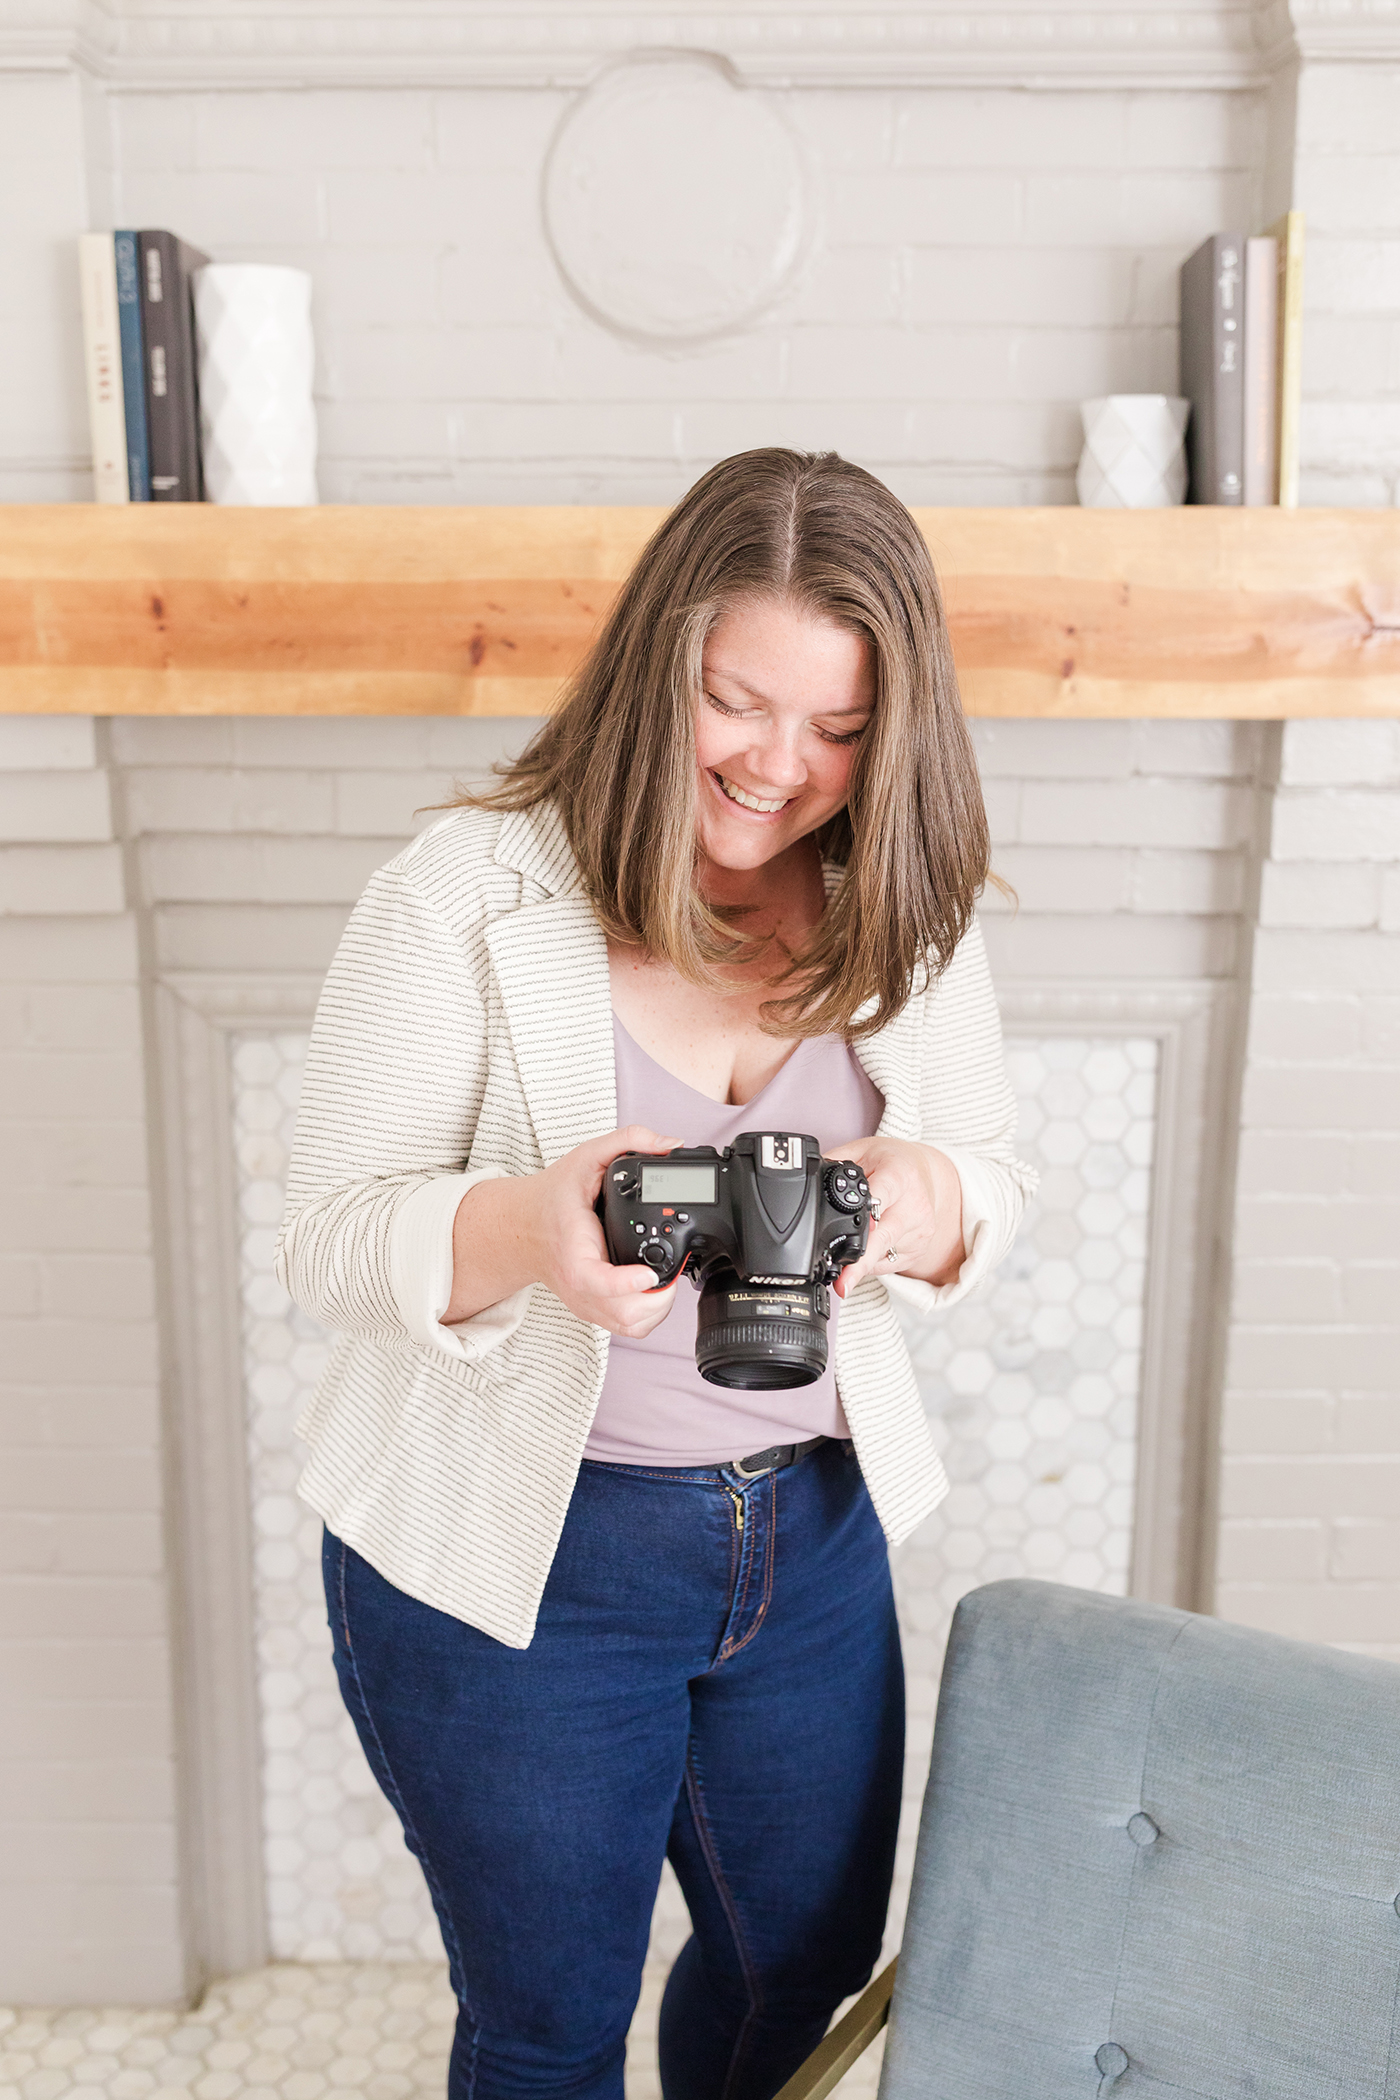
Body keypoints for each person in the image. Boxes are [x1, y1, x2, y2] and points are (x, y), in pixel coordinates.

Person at [277, 448, 1034, 2100]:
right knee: (550, 2022)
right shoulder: (466, 897)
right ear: (653, 672)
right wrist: (529, 1234)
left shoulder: (905, 901)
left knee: (804, 1978)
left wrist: (929, 1199)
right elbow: (330, 1231)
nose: (783, 769)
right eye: (739, 704)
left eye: (841, 730)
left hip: (809, 1538)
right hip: (523, 1560)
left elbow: (991, 1175)